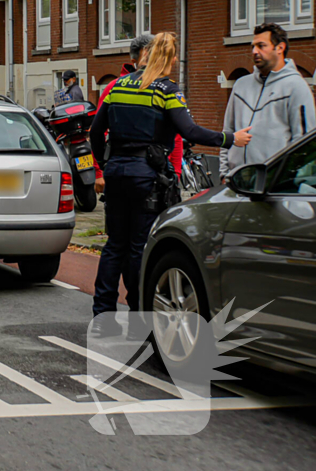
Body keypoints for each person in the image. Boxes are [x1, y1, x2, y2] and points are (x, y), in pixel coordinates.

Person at [88, 32, 252, 337]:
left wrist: (105, 164)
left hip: (116, 175)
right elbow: (189, 131)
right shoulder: (166, 90)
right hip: (145, 178)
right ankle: (139, 319)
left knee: (113, 247)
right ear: (171, 59)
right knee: (138, 248)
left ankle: (102, 319)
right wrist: (231, 139)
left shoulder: (117, 87)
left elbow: (96, 132)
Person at [219, 23, 316, 181]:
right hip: (236, 183)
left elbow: (303, 143)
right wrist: (224, 173)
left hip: (272, 187)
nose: (254, 51)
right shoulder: (240, 85)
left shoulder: (296, 87)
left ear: (280, 48)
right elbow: (228, 131)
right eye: (253, 46)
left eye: (261, 46)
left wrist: (283, 182)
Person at [93, 34, 184, 194]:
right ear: (134, 62)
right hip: (128, 171)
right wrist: (100, 171)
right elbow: (98, 130)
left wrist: (175, 172)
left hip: (159, 171)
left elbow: (176, 134)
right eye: (147, 58)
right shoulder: (116, 87)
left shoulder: (163, 88)